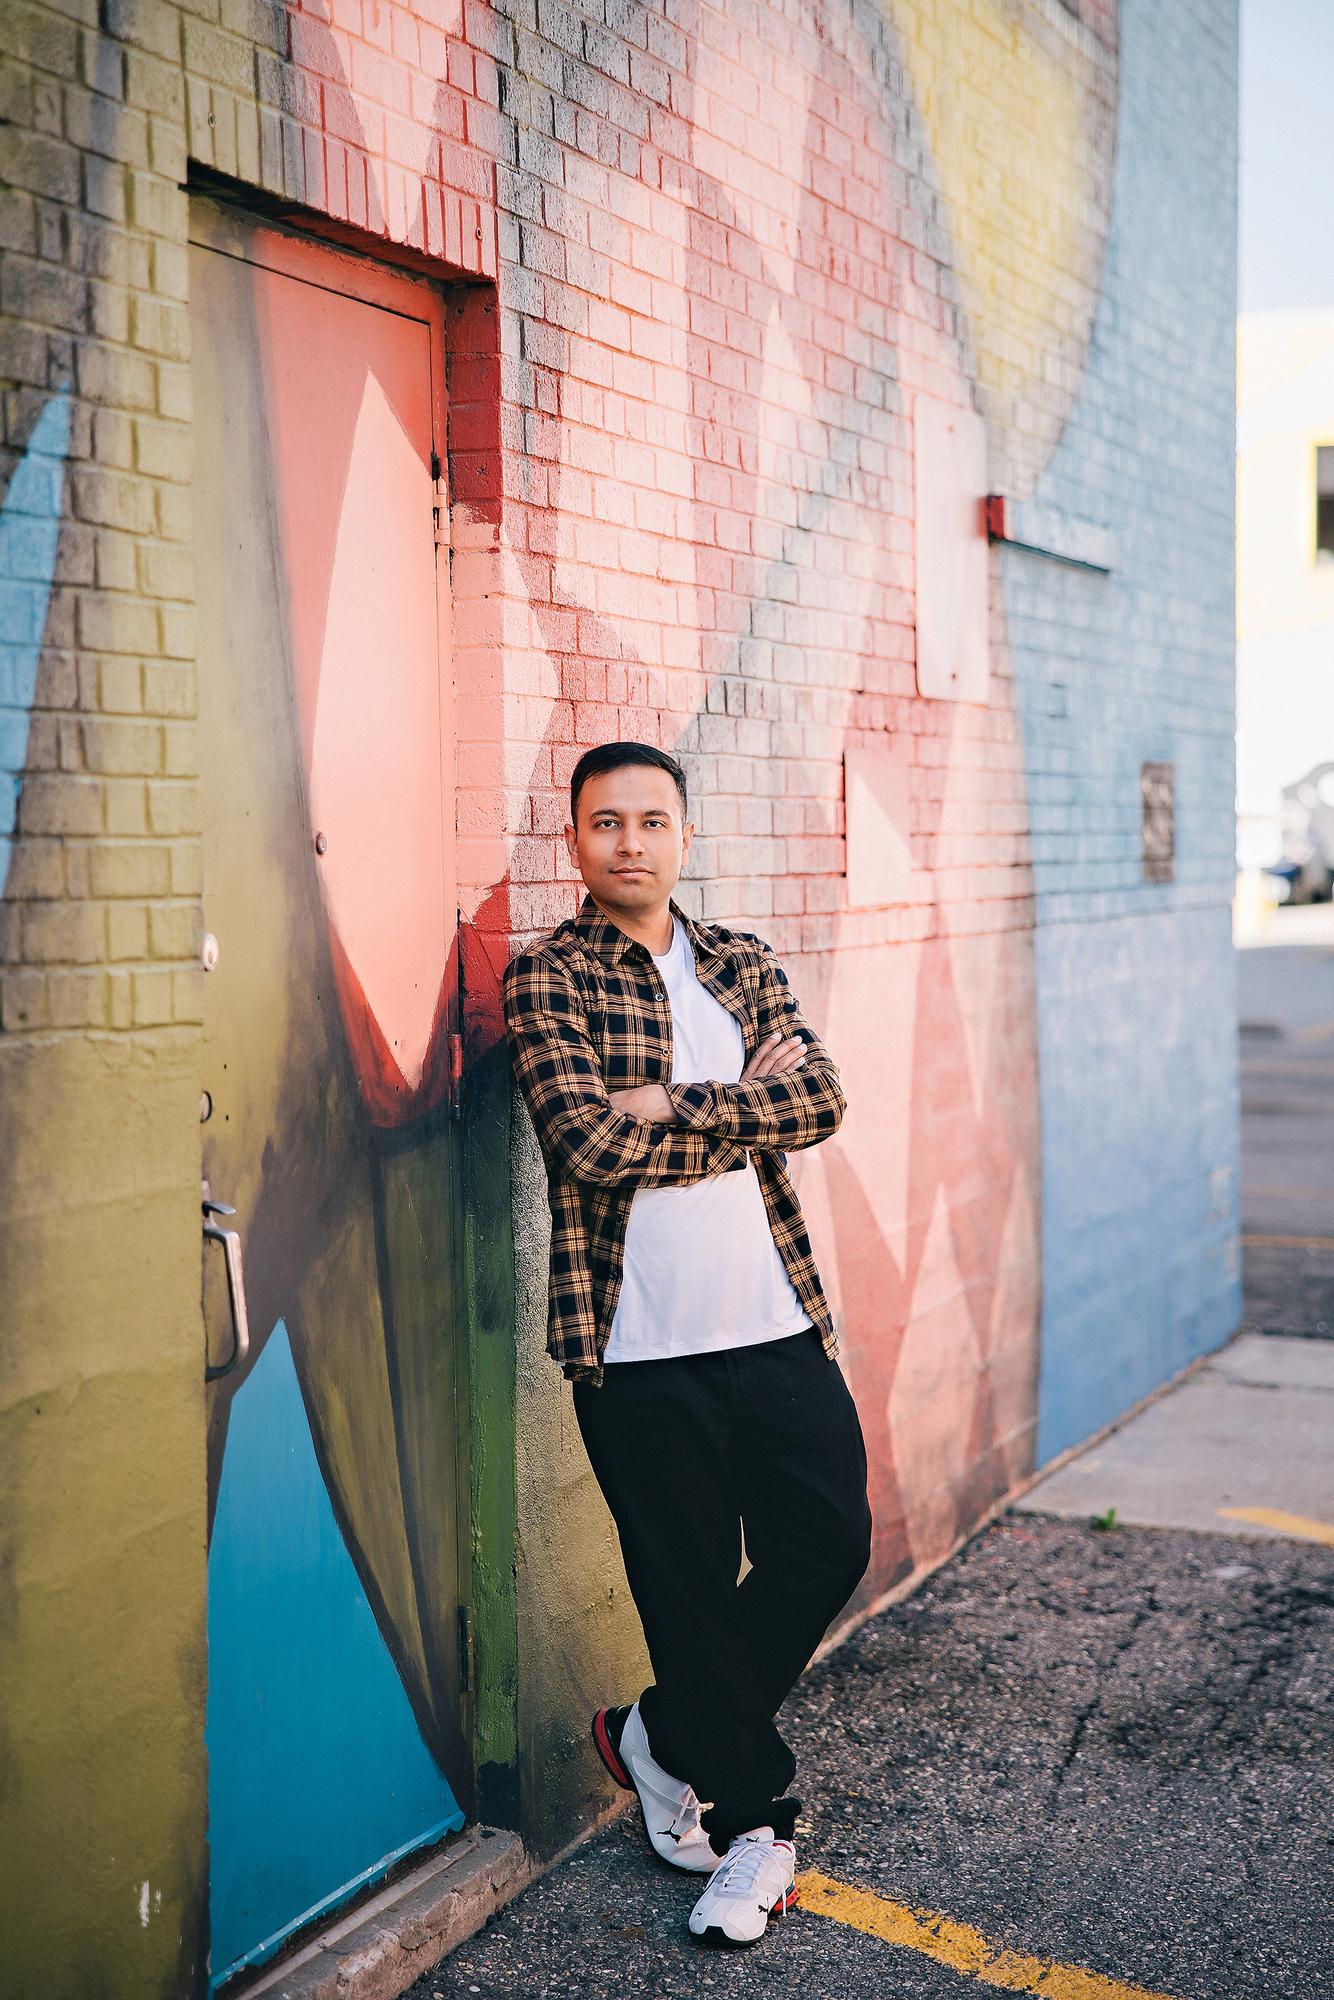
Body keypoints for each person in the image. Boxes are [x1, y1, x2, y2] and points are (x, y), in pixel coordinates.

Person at [501, 740, 873, 1948]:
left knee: (828, 1541)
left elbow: (817, 1099)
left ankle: (656, 1734)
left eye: (651, 819)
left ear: (683, 836)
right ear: (574, 840)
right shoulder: (545, 979)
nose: (629, 840)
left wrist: (671, 1102)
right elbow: (586, 1145)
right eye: (604, 821)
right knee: (687, 1586)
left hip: (773, 1318)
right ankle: (756, 1826)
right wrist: (737, 1108)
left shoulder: (739, 961)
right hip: (637, 1344)